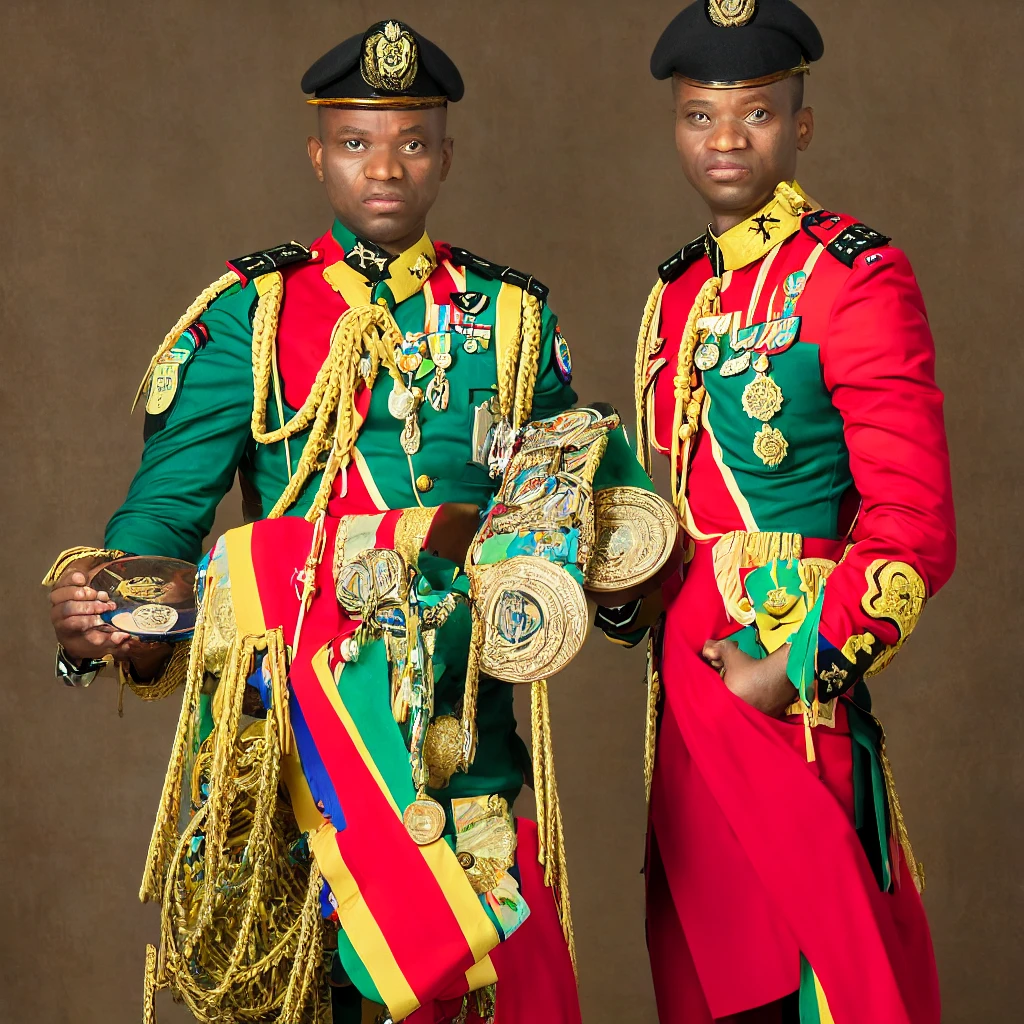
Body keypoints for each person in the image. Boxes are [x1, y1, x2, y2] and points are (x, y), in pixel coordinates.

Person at [43, 19, 651, 1024]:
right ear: (318, 154)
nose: (386, 167)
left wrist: (621, 586)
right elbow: (165, 519)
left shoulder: (511, 318)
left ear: (444, 158)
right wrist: (114, 613)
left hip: (463, 747)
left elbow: (574, 513)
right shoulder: (253, 313)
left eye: (412, 142)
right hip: (300, 755)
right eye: (360, 141)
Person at [617, 2, 956, 1021]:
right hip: (683, 686)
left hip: (789, 691)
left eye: (753, 114)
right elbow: (674, 512)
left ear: (798, 125)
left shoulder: (852, 276)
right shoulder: (675, 293)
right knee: (711, 982)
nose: (724, 141)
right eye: (699, 116)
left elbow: (912, 526)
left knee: (814, 983)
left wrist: (791, 669)